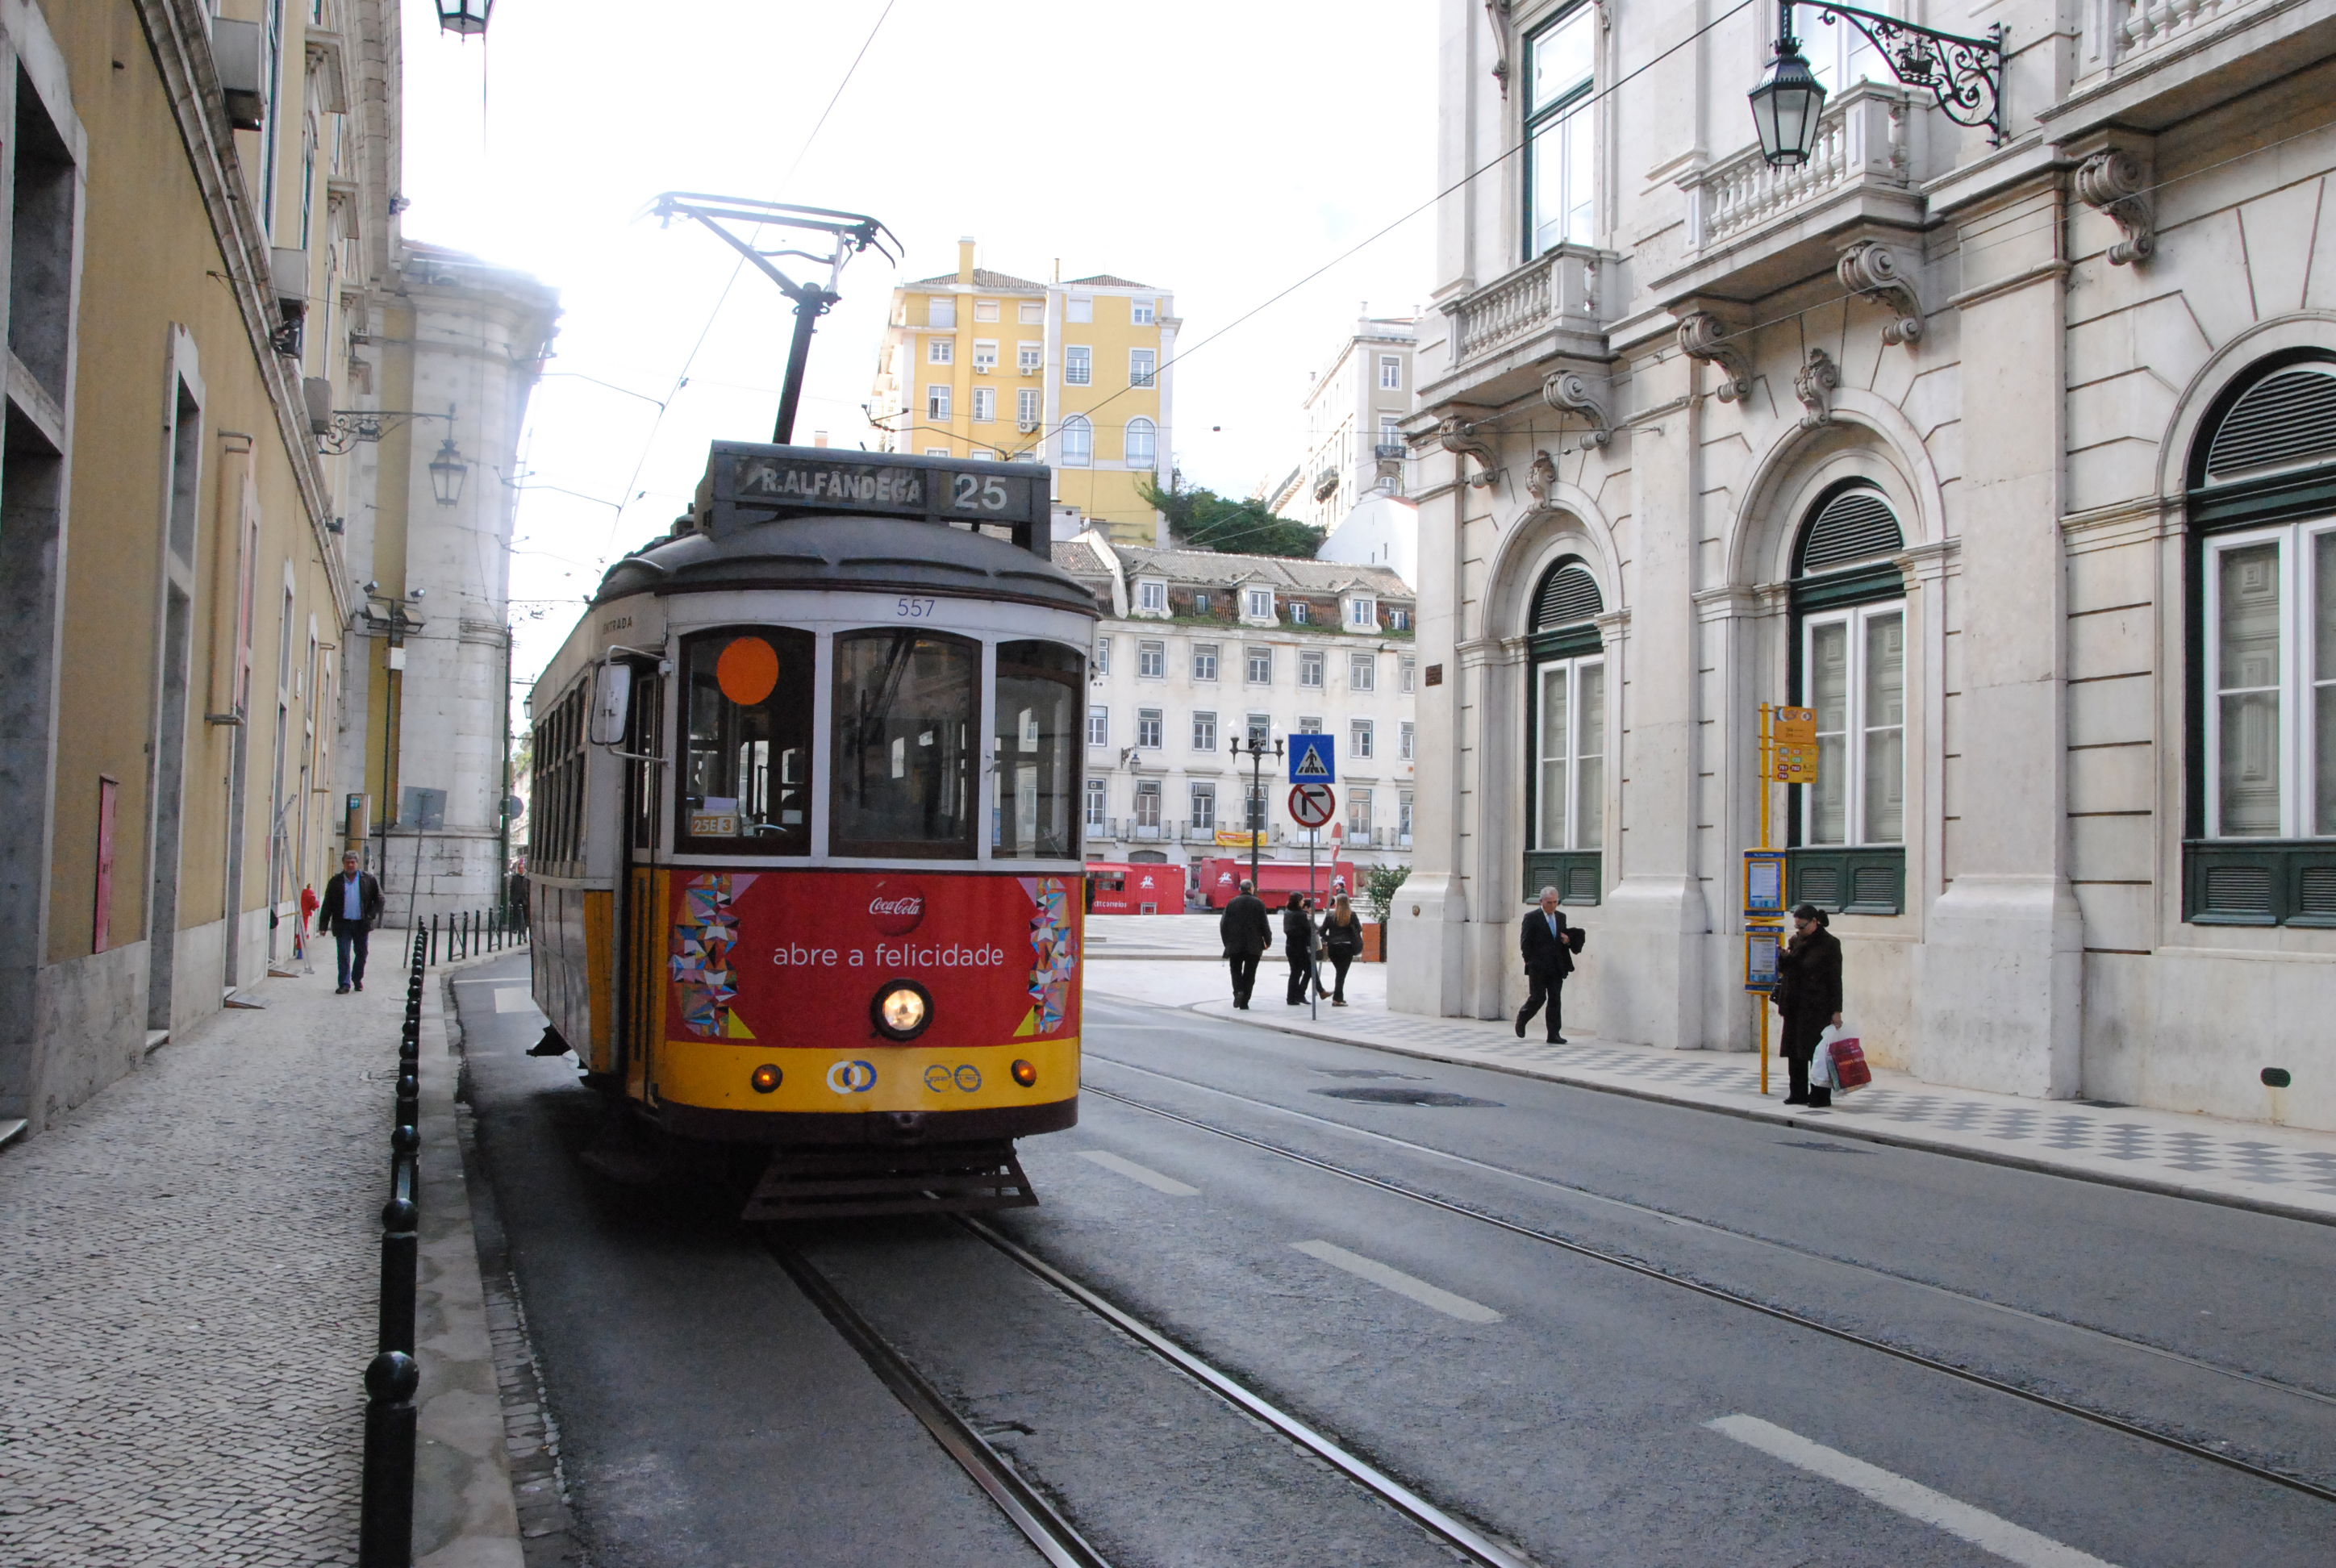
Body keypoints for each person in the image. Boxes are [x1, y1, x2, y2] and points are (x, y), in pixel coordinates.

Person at [1772, 903, 1844, 1107]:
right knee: (1794, 1052)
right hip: (1794, 1005)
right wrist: (1783, 958)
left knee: (1816, 1053)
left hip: (1817, 1007)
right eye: (1796, 927)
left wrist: (1836, 1011)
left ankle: (1820, 1096)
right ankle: (1798, 1093)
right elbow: (1790, 970)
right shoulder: (1795, 941)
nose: (1799, 931)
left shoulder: (1830, 944)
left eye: (1802, 926)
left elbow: (1835, 979)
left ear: (1815, 922)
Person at [316, 851, 384, 995]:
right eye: (347, 862)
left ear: (357, 864)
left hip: (361, 923)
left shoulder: (368, 880)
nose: (350, 865)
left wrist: (371, 915)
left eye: (353, 862)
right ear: (344, 864)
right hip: (343, 924)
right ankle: (344, 984)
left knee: (362, 953)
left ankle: (357, 979)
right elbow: (327, 904)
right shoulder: (335, 882)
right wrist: (323, 926)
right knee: (343, 955)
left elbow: (380, 899)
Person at [1515, 885, 1575, 1043]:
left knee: (1555, 999)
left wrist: (1567, 941)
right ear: (1541, 902)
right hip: (1538, 967)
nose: (1553, 906)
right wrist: (1530, 962)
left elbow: (1562, 940)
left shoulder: (1561, 917)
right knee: (1538, 998)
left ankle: (1554, 1034)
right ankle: (1523, 1017)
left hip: (1556, 966)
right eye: (1549, 902)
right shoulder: (1531, 917)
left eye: (1556, 902)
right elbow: (1525, 943)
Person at [1219, 878, 1270, 1010]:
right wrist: (1268, 940)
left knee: (1235, 970)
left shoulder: (1232, 903)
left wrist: (1227, 943)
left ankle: (1238, 992)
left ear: (1241, 889)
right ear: (1252, 889)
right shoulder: (1259, 903)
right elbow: (1264, 924)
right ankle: (1245, 1001)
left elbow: (1223, 924)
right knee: (1250, 973)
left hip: (1235, 945)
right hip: (1254, 946)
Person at [1318, 893, 1363, 1006]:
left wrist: (1330, 939)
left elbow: (1322, 932)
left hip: (1333, 948)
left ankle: (1339, 997)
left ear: (1337, 903)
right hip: (1346, 947)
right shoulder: (1352, 915)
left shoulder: (1330, 916)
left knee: (1339, 972)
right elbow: (1359, 929)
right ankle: (1337, 999)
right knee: (1341, 974)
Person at [1283, 893, 1320, 1005]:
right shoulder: (1301, 915)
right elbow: (1308, 930)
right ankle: (1299, 994)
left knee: (1295, 972)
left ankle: (1291, 997)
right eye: (1302, 900)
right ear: (1298, 901)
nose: (1304, 902)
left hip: (1290, 946)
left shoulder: (1287, 912)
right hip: (1300, 947)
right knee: (1308, 971)